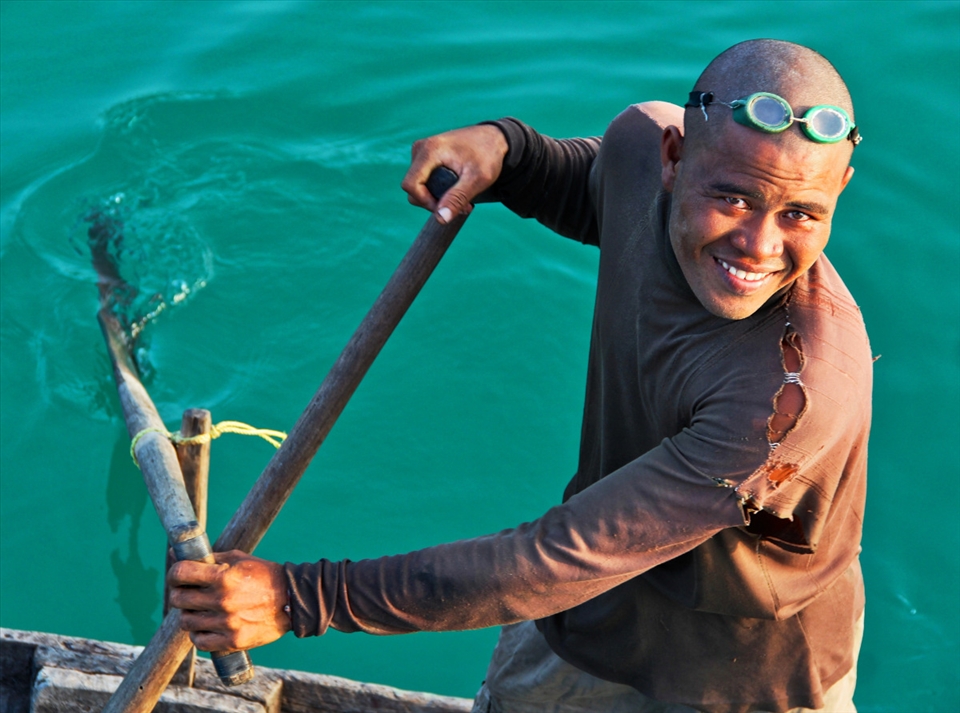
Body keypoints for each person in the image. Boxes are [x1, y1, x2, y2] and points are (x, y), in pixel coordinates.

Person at [168, 39, 872, 713]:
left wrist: (300, 597)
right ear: (674, 157)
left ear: (841, 189)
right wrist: (508, 151)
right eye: (734, 199)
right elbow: (595, 183)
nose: (758, 245)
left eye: (802, 214)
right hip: (597, 617)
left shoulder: (787, 399)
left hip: (748, 673)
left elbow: (559, 553)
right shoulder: (639, 145)